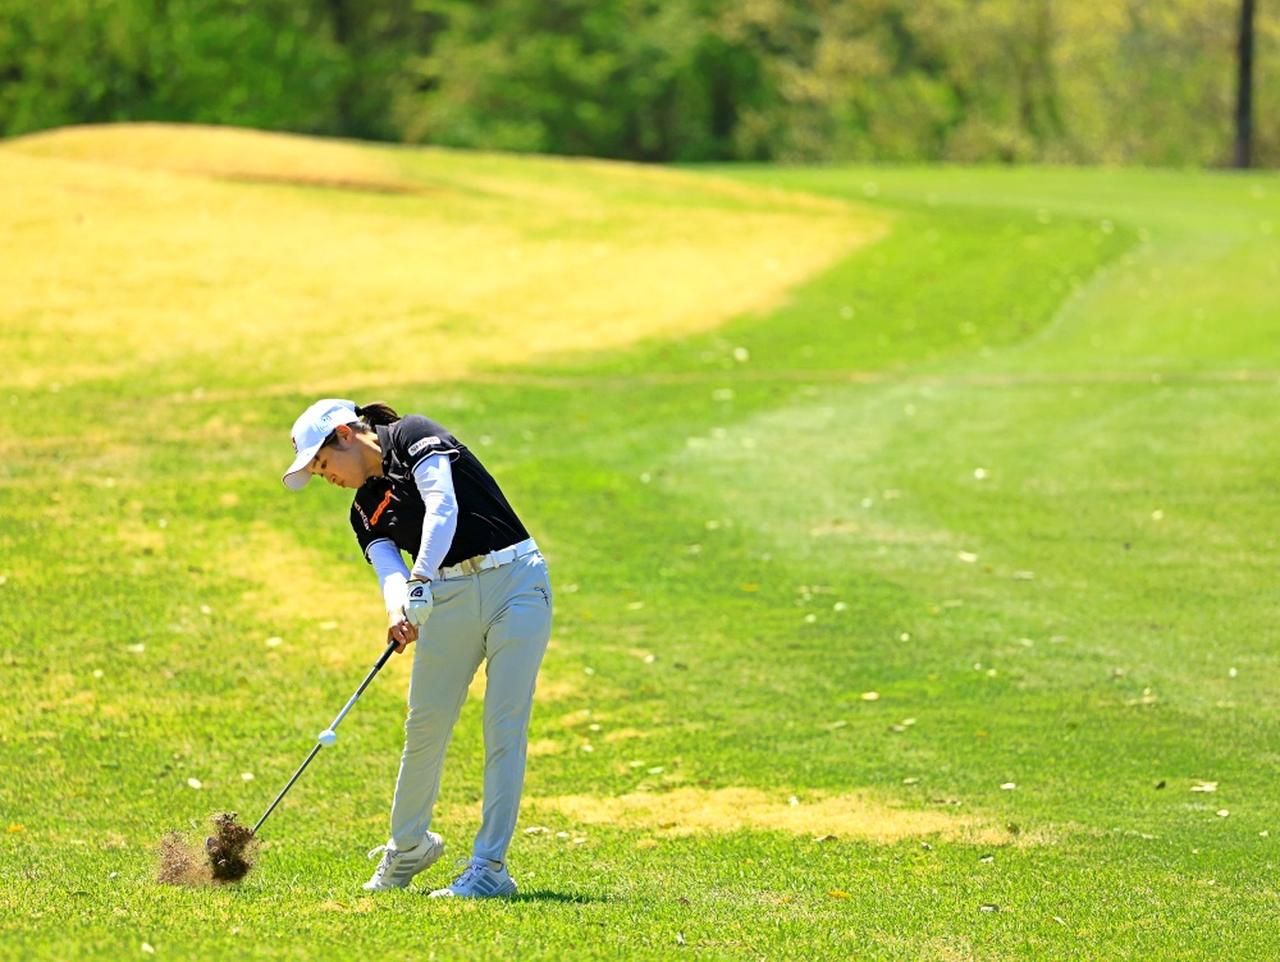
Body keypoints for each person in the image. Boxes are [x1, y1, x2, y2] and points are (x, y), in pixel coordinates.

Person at [281, 397, 552, 898]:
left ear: (344, 434)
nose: (327, 478)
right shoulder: (364, 509)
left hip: (515, 580)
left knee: (504, 726)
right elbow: (390, 571)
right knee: (424, 725)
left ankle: (490, 868)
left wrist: (421, 577)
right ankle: (408, 848)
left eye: (323, 465)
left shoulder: (411, 435)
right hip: (446, 597)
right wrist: (399, 609)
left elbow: (442, 505)